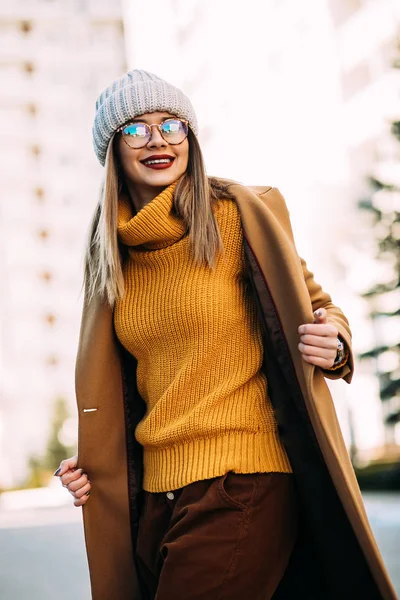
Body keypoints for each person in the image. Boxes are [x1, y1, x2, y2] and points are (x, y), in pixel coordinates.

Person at [53, 70, 396, 600]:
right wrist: (94, 461)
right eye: (136, 130)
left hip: (245, 478)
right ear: (111, 150)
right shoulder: (109, 259)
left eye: (172, 124)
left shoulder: (236, 217)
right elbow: (123, 388)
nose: (159, 139)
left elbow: (321, 306)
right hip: (156, 497)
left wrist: (337, 343)